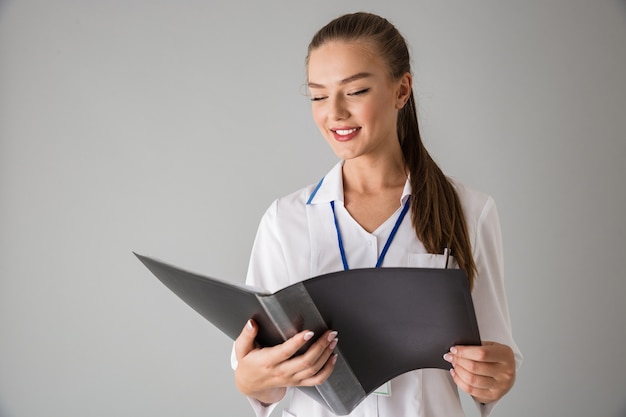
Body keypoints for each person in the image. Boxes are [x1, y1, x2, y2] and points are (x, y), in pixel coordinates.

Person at [232, 12, 522, 417]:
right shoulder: (285, 221)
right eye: (318, 95)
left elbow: (495, 355)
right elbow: (257, 373)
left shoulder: (470, 211)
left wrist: (496, 375)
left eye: (355, 91)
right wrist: (250, 380)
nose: (333, 112)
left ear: (402, 90)